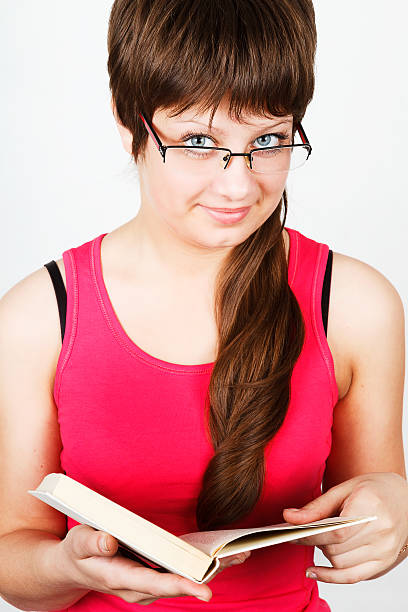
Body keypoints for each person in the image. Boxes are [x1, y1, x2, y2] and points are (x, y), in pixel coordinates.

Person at [0, 0, 407, 610]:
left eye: (268, 139)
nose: (238, 186)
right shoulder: (40, 319)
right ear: (127, 122)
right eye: (197, 140)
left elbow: (378, 500)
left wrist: (392, 516)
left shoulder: (352, 305)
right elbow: (12, 562)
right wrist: (67, 565)